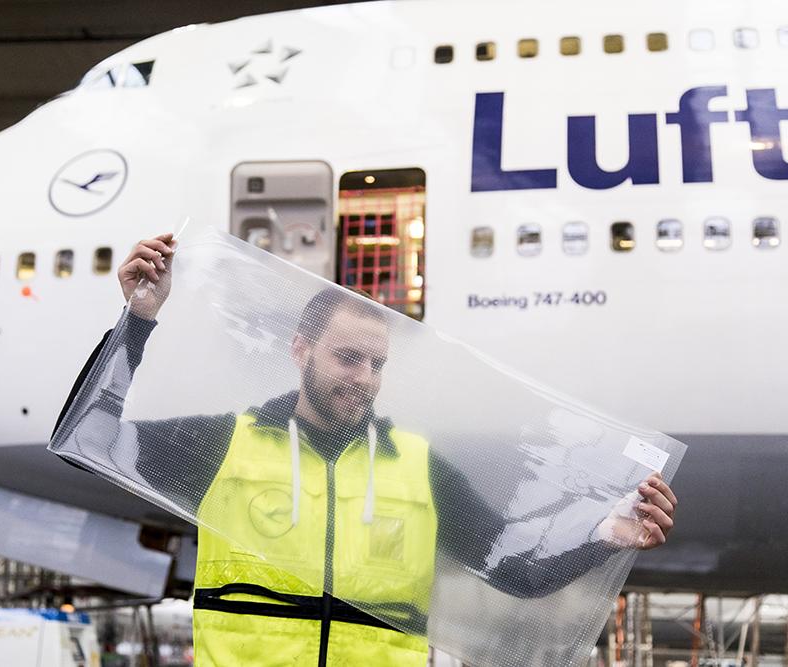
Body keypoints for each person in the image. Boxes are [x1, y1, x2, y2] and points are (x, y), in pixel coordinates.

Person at [54, 233, 678, 667]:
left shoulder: (420, 467)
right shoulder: (225, 442)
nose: (364, 377)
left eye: (377, 364)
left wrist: (604, 531)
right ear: (301, 349)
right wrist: (137, 321)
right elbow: (94, 438)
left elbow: (514, 569)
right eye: (347, 357)